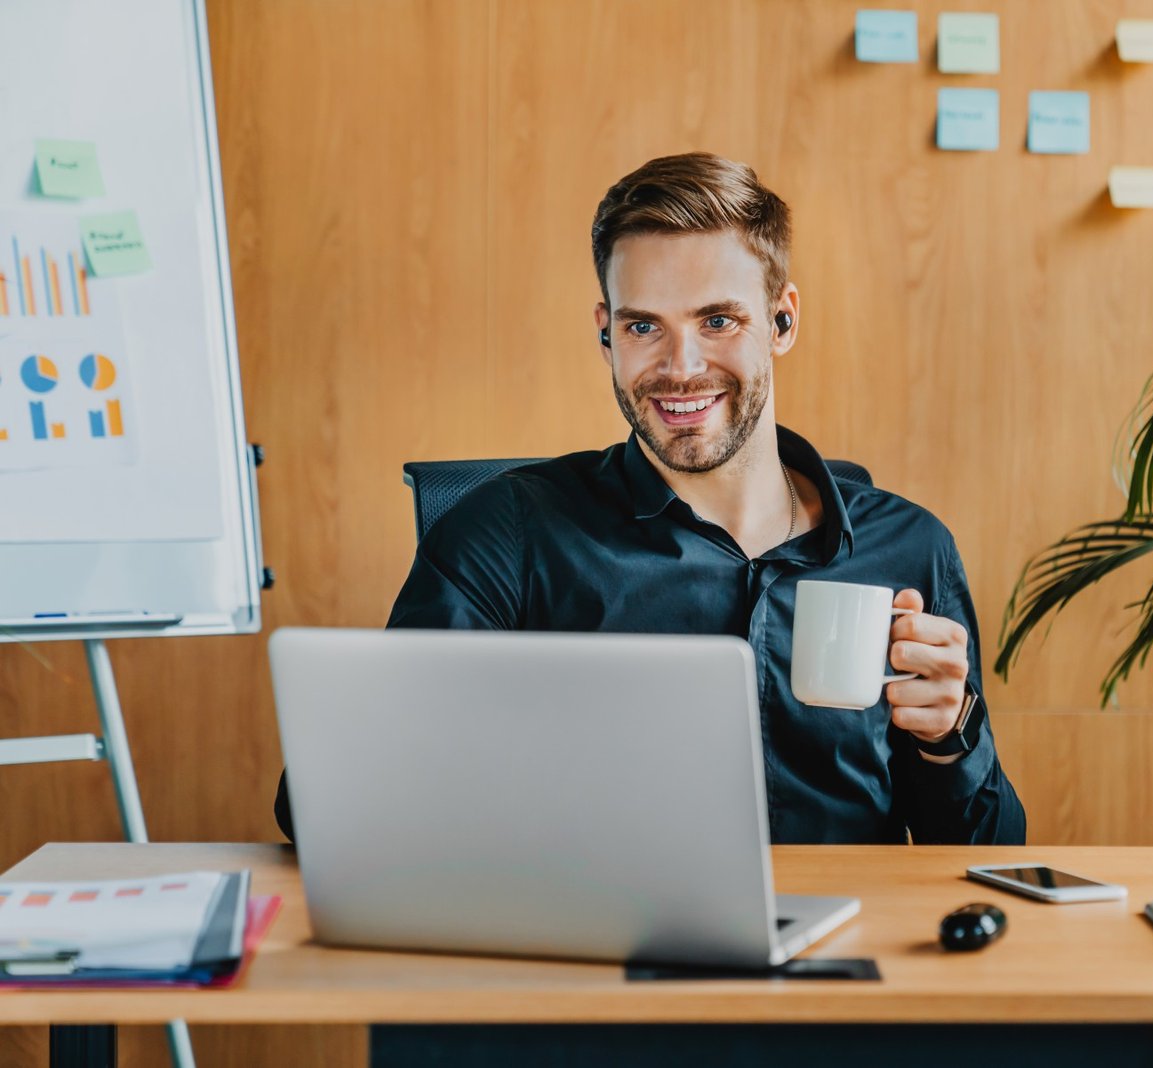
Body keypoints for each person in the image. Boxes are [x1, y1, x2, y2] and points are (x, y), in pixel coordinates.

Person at [275, 152, 1023, 845]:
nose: (681, 367)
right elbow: (322, 810)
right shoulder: (507, 536)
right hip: (594, 964)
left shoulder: (911, 548)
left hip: (840, 968)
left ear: (782, 320)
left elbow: (988, 852)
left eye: (718, 320)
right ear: (607, 333)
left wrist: (950, 735)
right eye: (644, 327)